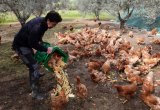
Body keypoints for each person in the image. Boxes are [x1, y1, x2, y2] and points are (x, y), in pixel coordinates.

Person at [12, 11, 62, 100]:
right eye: (54, 24)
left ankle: (36, 74)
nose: (54, 26)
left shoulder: (43, 23)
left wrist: (41, 42)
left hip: (27, 42)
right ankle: (35, 92)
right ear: (49, 20)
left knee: (34, 61)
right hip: (21, 45)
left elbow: (37, 38)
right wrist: (46, 49)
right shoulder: (37, 27)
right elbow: (33, 43)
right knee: (34, 66)